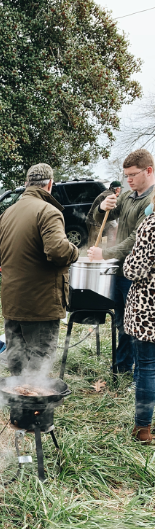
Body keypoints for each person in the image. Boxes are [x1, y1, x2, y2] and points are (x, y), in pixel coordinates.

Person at [0, 163, 79, 376]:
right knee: (39, 365)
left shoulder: (7, 213)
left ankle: (18, 408)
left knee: (17, 363)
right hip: (41, 306)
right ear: (49, 185)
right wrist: (74, 251)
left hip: (12, 302)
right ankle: (34, 408)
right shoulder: (49, 212)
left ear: (26, 184)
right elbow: (58, 251)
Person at [89, 149, 155, 375]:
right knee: (122, 322)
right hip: (120, 272)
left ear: (149, 171)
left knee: (137, 326)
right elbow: (100, 219)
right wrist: (102, 207)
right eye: (126, 175)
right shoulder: (127, 196)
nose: (128, 180)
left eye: (133, 175)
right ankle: (123, 367)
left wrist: (105, 254)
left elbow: (136, 238)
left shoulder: (151, 202)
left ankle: (140, 372)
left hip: (139, 275)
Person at [123, 192, 155, 444]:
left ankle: (142, 429)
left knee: (147, 366)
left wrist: (124, 265)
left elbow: (134, 268)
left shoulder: (151, 225)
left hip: (149, 308)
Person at [86, 181, 121, 248]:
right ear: (117, 189)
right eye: (120, 188)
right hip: (94, 221)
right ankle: (92, 256)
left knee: (97, 241)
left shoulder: (108, 193)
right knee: (95, 242)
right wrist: (115, 225)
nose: (120, 190)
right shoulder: (110, 196)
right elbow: (110, 213)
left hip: (95, 220)